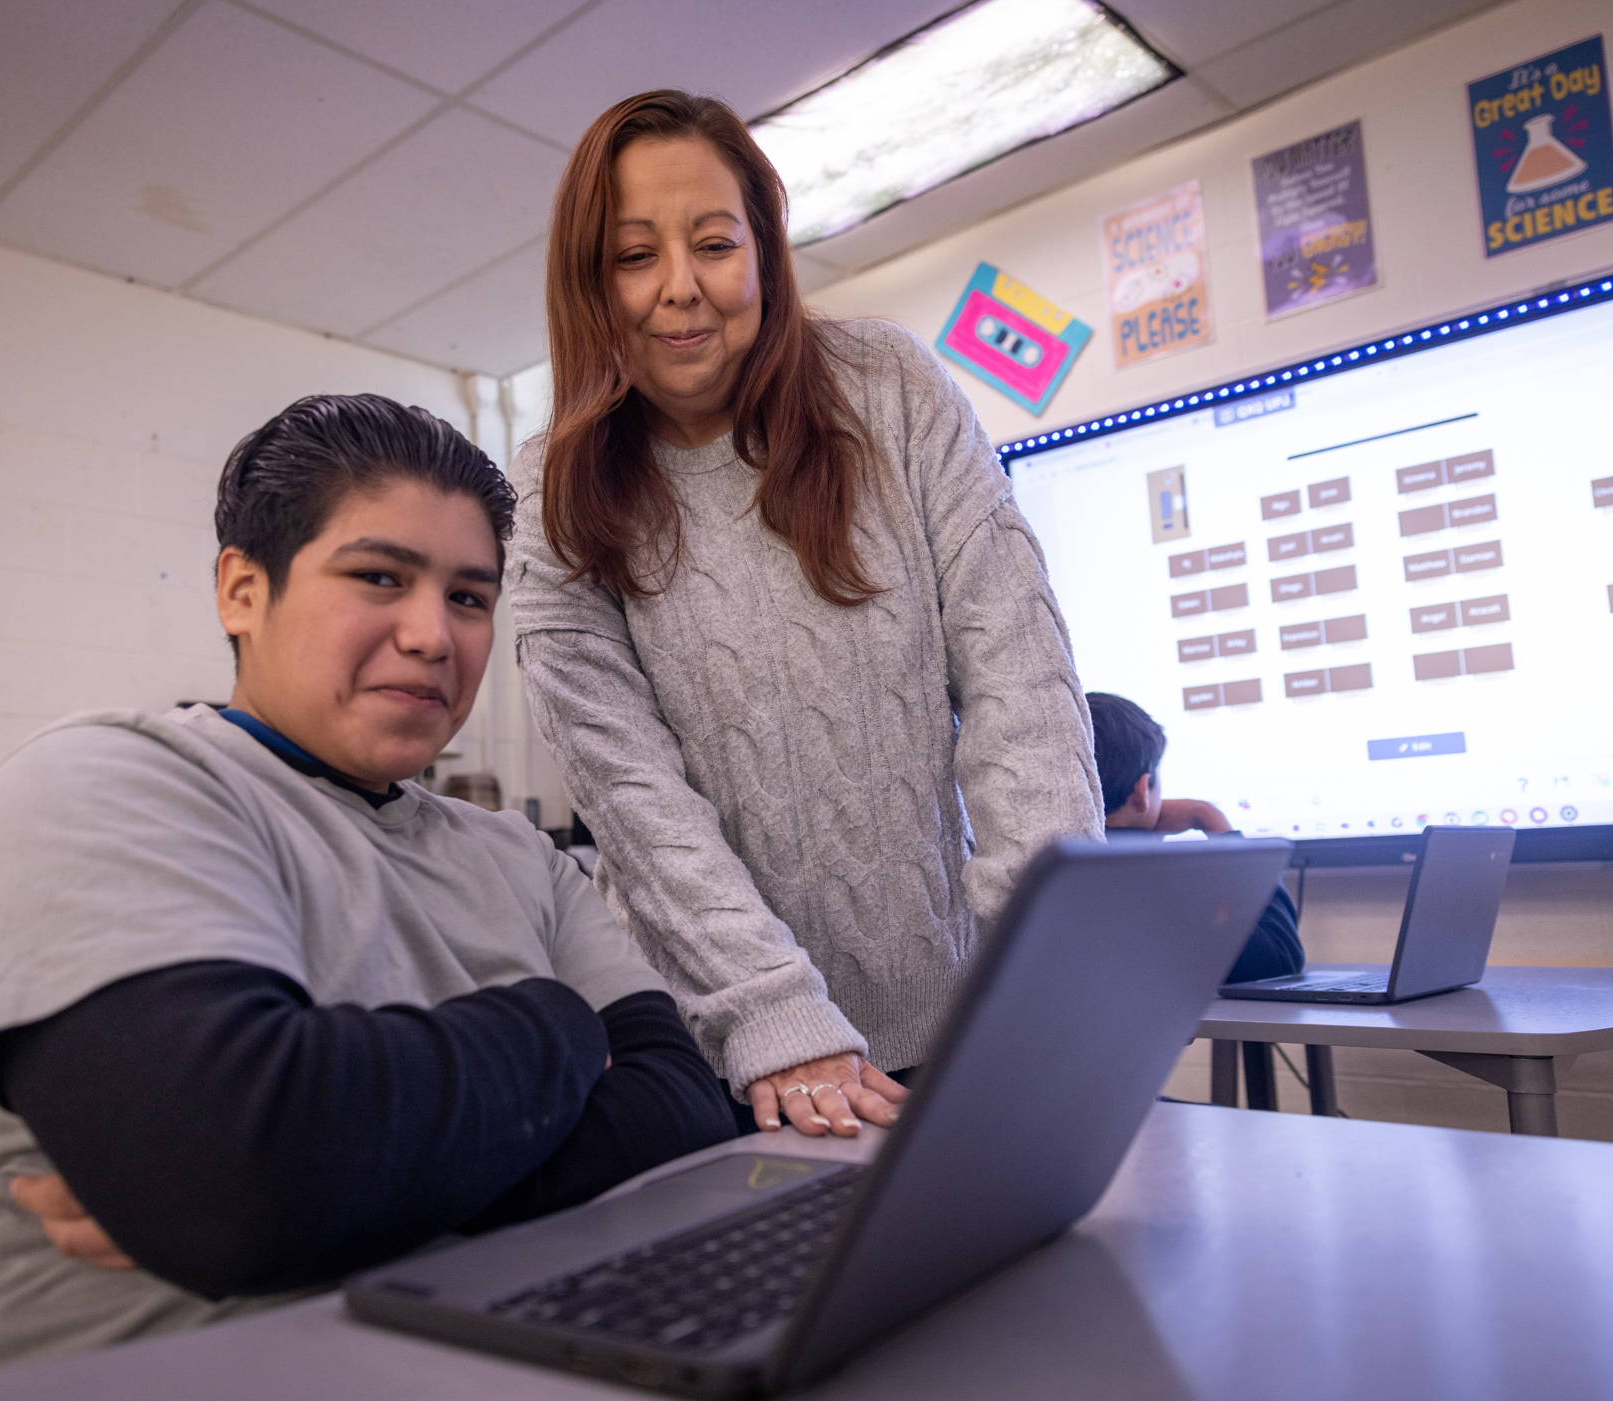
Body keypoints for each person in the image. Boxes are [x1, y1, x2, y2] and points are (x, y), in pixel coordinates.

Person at [0, 395, 734, 1384]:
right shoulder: (105, 786)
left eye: (469, 596)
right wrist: (560, 1024)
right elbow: (232, 1182)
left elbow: (679, 1114)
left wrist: (345, 1178)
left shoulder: (520, 858)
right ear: (242, 590)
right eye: (379, 576)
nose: (432, 635)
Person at [509, 91, 1105, 1141]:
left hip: (954, 1008)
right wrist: (773, 1008)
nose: (681, 290)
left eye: (714, 243)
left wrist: (1043, 969)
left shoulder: (892, 391)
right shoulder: (552, 497)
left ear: (766, 255)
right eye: (634, 255)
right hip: (725, 1052)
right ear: (589, 284)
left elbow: (1019, 677)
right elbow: (634, 794)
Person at [1086, 692, 1304, 982]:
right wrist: (1211, 819)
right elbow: (1280, 956)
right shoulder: (1156, 887)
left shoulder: (1048, 872)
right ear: (1142, 791)